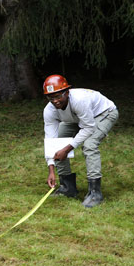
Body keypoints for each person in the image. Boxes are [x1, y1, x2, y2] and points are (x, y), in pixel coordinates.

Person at [42, 74, 119, 208]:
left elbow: (88, 128)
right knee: (59, 141)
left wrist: (67, 149)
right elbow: (51, 141)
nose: (54, 101)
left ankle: (95, 193)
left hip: (104, 113)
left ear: (67, 92)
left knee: (89, 145)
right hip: (78, 117)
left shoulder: (79, 100)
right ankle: (67, 188)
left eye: (58, 95)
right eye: (50, 97)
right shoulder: (49, 110)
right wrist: (51, 169)